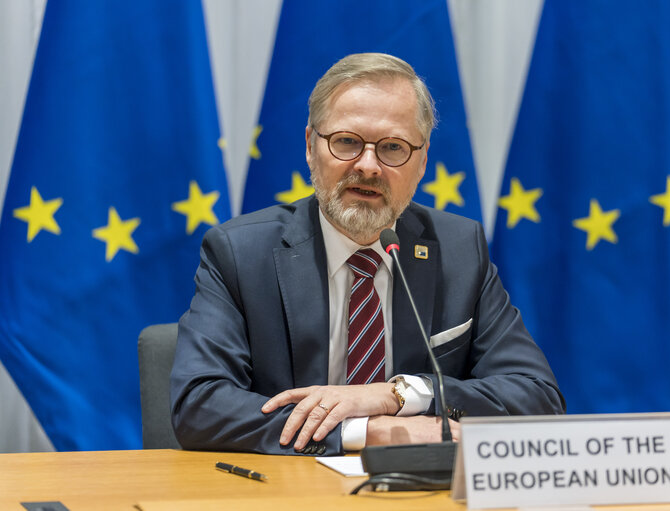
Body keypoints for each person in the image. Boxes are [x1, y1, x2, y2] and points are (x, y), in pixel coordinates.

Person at [170, 53, 565, 456]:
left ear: (422, 160)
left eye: (393, 147)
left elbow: (536, 397)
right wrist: (365, 432)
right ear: (310, 146)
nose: (369, 166)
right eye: (347, 142)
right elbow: (199, 405)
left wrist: (400, 394)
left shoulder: (460, 250)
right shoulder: (240, 253)